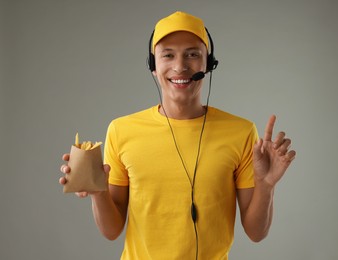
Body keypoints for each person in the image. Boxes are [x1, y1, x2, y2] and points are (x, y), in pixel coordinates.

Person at [59, 11, 296, 260]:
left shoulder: (242, 132)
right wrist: (98, 192)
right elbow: (111, 230)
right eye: (168, 55)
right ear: (153, 66)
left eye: (192, 54)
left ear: (208, 63)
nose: (180, 66)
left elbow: (256, 233)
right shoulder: (121, 131)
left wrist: (266, 186)